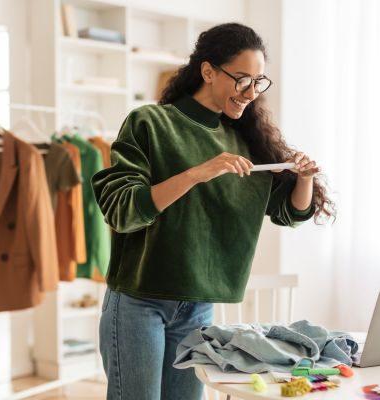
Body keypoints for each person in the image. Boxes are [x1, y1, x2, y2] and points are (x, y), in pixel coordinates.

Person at [91, 22, 335, 400]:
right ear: (207, 71)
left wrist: (304, 179)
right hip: (140, 301)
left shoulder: (248, 141)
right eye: (242, 80)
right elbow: (123, 209)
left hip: (199, 307)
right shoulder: (150, 123)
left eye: (258, 82)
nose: (251, 93)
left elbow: (289, 214)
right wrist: (196, 173)